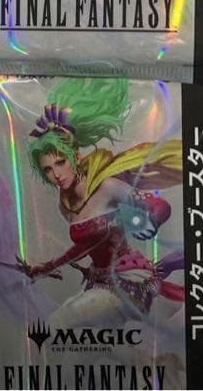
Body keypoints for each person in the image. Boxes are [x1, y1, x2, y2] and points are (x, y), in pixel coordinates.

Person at [15, 78, 184, 328]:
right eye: (48, 170)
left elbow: (158, 205)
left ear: (76, 156)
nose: (57, 174)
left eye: (60, 163)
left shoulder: (107, 187)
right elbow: (85, 246)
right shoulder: (66, 206)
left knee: (57, 324)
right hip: (98, 282)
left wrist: (150, 220)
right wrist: (47, 267)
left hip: (127, 278)